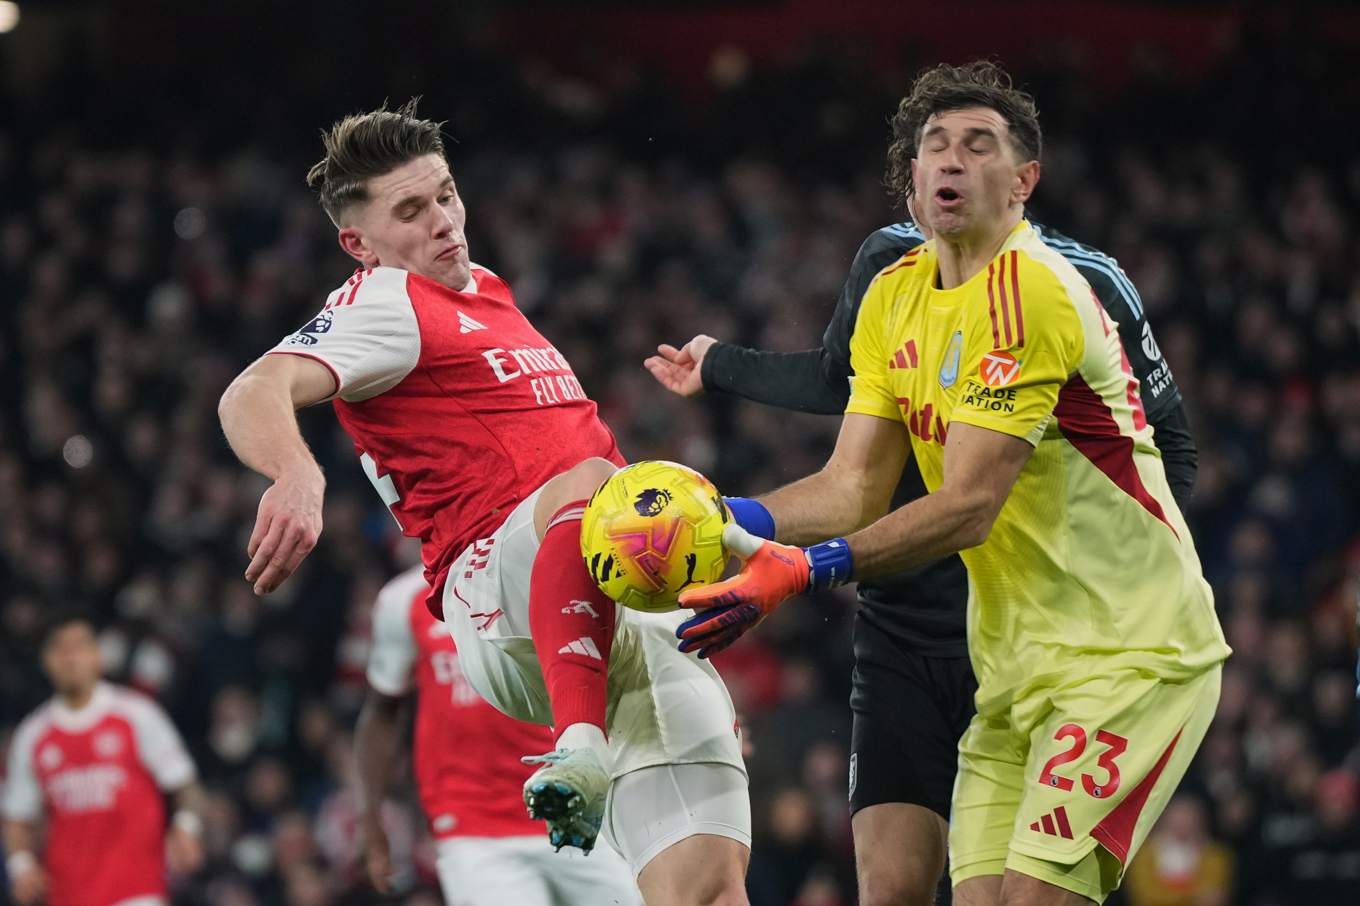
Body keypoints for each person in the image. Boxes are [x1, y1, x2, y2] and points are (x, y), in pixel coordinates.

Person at [673, 62, 1230, 906]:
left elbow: (970, 506)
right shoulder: (894, 296)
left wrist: (806, 568)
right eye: (935, 147)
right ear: (910, 179)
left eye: (979, 147)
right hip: (1009, 672)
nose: (952, 162)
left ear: (1024, 182)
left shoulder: (1033, 291)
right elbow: (852, 485)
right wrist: (723, 522)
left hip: (1130, 656)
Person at [216, 101, 749, 906]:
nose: (442, 222)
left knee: (708, 892)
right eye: (409, 210)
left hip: (619, 613)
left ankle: (592, 735)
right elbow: (253, 389)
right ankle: (577, 741)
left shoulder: (491, 292)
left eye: (446, 195)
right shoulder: (384, 301)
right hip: (500, 595)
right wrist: (295, 472)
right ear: (357, 244)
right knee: (589, 491)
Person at [356, 565, 642, 905]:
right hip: (472, 825)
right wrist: (371, 817)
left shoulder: (543, 565)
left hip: (575, 803)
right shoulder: (403, 598)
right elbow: (382, 711)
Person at [2, 611, 206, 906]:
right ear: (47, 661)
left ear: (98, 656)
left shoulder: (138, 715)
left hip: (137, 890)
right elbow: (17, 816)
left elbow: (184, 783)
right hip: (68, 894)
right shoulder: (33, 735)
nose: (71, 658)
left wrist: (186, 826)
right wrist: (20, 865)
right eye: (60, 649)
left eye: (80, 647)